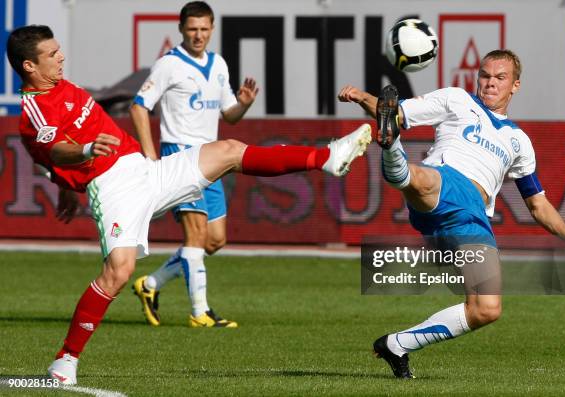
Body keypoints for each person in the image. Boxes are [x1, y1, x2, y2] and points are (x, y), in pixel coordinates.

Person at [8, 24, 371, 385]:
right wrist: (83, 155)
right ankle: (65, 362)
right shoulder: (34, 108)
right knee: (119, 272)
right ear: (29, 66)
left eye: (59, 50)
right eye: (52, 54)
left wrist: (66, 183)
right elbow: (54, 149)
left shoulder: (61, 85)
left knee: (228, 150)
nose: (62, 57)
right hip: (113, 187)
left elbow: (51, 155)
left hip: (145, 171)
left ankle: (327, 156)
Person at [337, 49, 565, 379]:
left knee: (486, 309)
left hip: (471, 219)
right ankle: (391, 146)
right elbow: (398, 111)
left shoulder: (519, 141)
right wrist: (362, 96)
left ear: (515, 85)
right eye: (485, 75)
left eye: (499, 77)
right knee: (426, 179)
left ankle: (396, 344)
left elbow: (537, 203)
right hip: (447, 183)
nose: (490, 83)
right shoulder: (457, 100)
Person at [130, 1, 255, 329]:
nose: (198, 35)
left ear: (212, 29)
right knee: (196, 235)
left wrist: (242, 104)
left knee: (214, 241)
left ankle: (151, 284)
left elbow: (229, 115)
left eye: (204, 29)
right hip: (179, 156)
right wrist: (150, 156)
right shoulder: (168, 64)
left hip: (211, 158)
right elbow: (139, 107)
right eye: (192, 29)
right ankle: (200, 312)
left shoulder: (218, 65)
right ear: (181, 29)